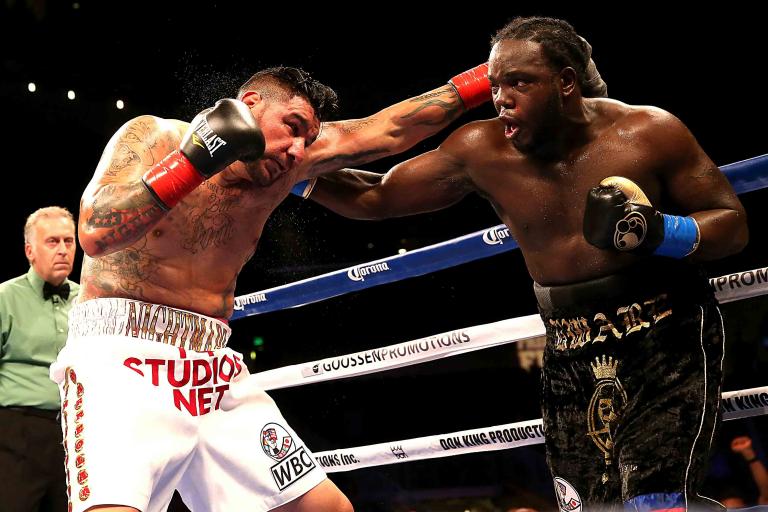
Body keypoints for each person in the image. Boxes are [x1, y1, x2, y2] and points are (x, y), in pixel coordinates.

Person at [306, 17, 749, 511]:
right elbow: (375, 195)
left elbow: (731, 224)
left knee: (654, 502)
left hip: (666, 334)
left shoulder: (648, 132)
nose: (502, 97)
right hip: (566, 349)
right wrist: (284, 170)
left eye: (520, 81)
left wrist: (656, 231)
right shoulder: (480, 150)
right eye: (496, 84)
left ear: (565, 83)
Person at [51, 62, 537, 512]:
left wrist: (498, 73)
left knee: (327, 509)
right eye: (293, 127)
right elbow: (95, 231)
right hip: (121, 358)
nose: (299, 151)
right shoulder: (153, 137)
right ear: (250, 103)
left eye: (309, 139)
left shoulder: (290, 165)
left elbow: (392, 129)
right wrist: (196, 160)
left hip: (212, 368)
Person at [1, 206, 79, 512]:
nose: (62, 250)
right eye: (52, 242)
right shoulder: (5, 298)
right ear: (29, 251)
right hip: (16, 435)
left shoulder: (90, 301)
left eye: (68, 241)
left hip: (75, 433)